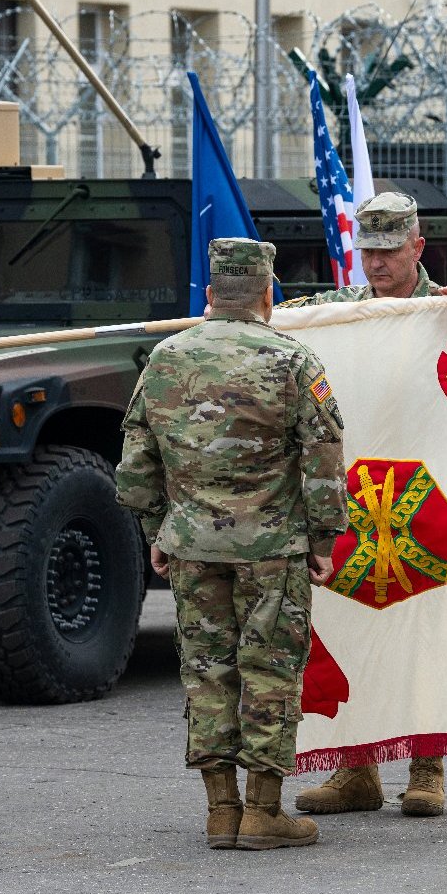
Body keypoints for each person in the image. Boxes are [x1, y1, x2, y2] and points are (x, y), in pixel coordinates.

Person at [285, 191, 447, 820]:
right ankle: (356, 772)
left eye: (389, 252)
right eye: (367, 252)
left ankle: (428, 769)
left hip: (430, 493)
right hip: (356, 490)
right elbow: (280, 330)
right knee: (356, 625)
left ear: (417, 246)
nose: (376, 265)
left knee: (427, 630)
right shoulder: (339, 310)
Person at [117, 237, 346, 851]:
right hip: (272, 547)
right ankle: (264, 812)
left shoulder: (165, 358)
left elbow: (137, 460)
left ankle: (221, 810)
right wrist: (324, 537)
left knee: (205, 669)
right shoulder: (293, 358)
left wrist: (156, 532)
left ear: (211, 295)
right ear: (269, 295)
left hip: (192, 545)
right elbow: (322, 454)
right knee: (269, 670)